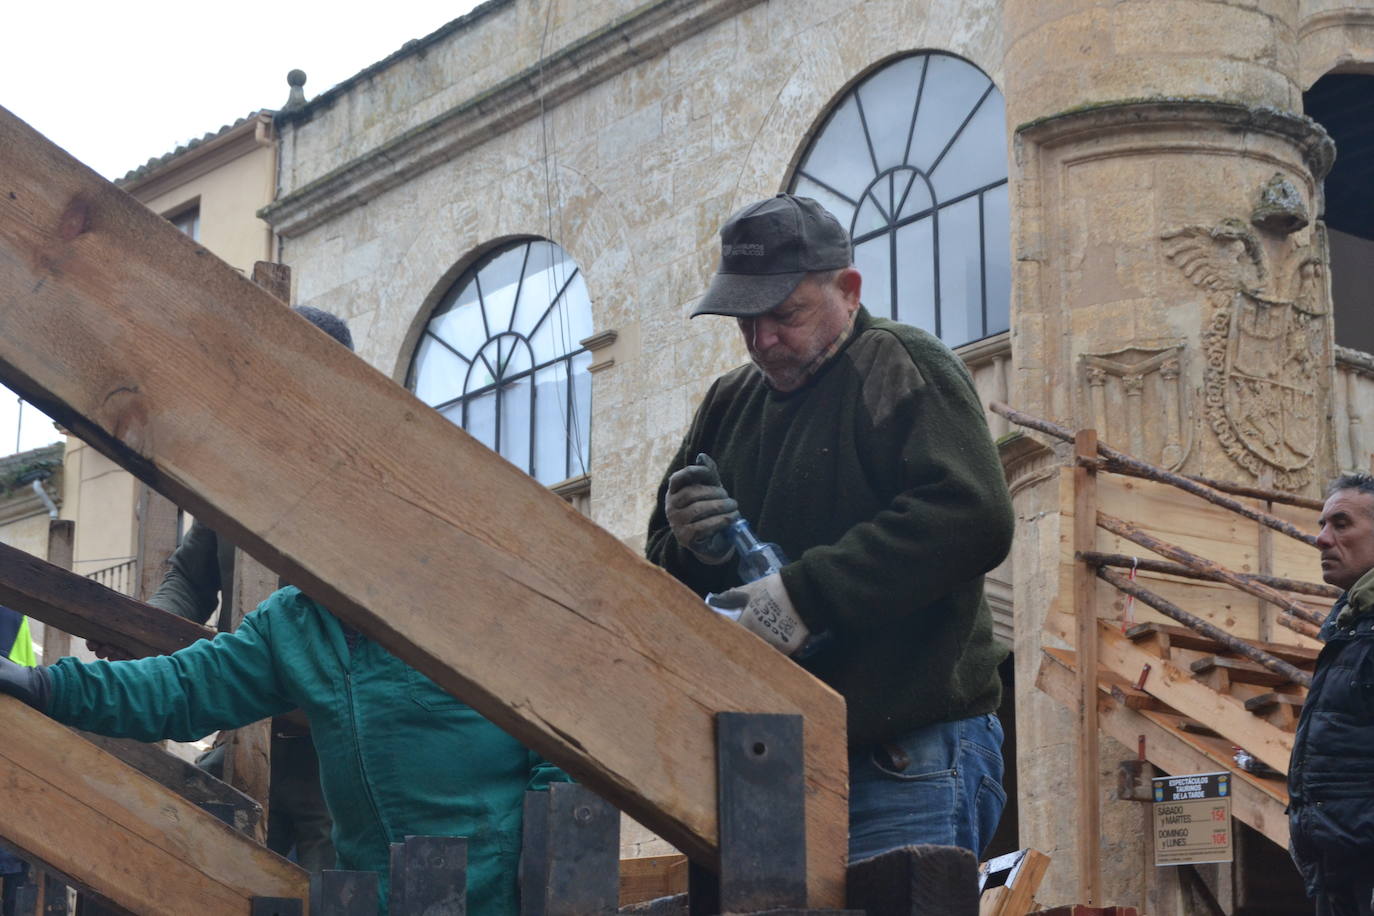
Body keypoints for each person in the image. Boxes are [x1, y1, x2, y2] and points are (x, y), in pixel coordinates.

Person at [645, 193, 1014, 863]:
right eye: (745, 321)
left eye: (784, 315)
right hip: (772, 759)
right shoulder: (730, 402)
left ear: (848, 289)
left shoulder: (897, 364)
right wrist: (691, 548)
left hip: (903, 753)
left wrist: (804, 597)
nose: (762, 341)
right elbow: (660, 563)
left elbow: (972, 516)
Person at [1, 585, 566, 915]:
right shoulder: (296, 621)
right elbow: (185, 686)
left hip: (500, 895)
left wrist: (546, 879)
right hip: (376, 895)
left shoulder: (480, 600)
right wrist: (46, 686)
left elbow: (566, 746)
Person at [86, 305, 353, 875]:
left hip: (339, 756)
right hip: (248, 737)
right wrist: (142, 633)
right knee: (174, 853)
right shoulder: (236, 479)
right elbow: (189, 576)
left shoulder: (357, 483)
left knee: (338, 886)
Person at [1289, 472, 1374, 916]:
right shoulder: (1351, 628)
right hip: (1338, 873)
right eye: (1322, 525)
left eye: (1341, 524)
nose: (1322, 539)